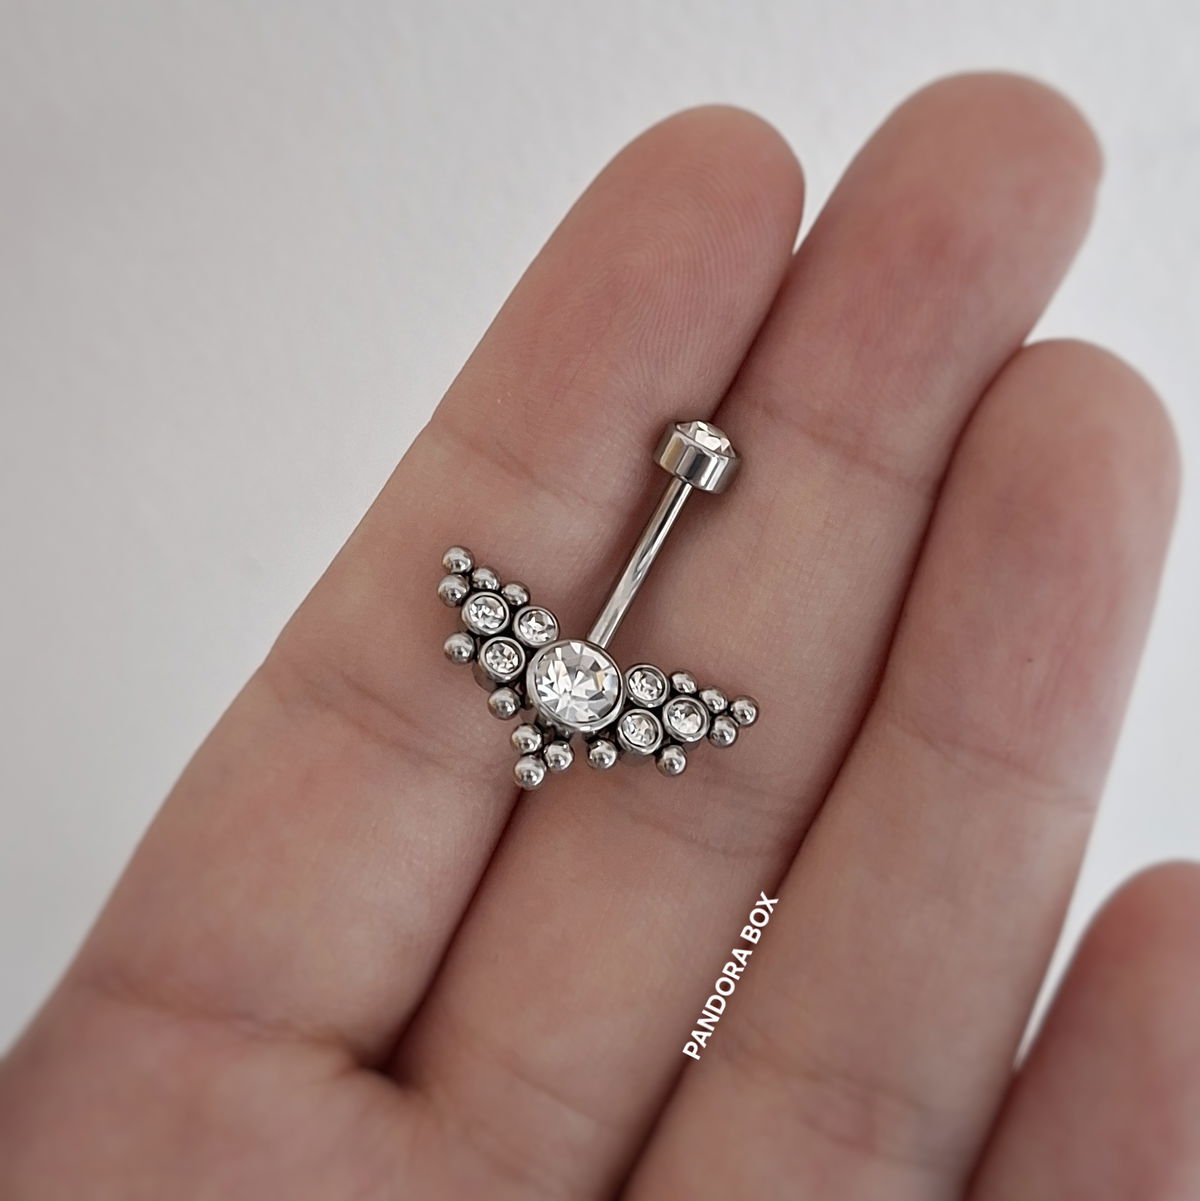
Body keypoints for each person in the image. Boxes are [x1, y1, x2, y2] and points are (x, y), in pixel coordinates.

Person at [1, 73, 1195, 1199]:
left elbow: (564, 658)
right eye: (541, 730)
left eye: (544, 733)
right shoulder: (566, 689)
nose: (537, 745)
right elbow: (539, 640)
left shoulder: (573, 686)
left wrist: (594, 681)